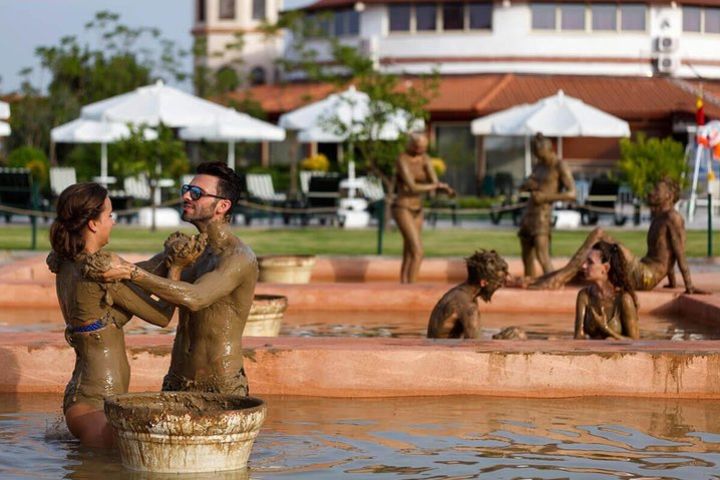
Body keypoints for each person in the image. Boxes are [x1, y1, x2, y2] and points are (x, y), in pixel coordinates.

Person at [48, 183, 199, 448]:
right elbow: (161, 316)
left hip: (84, 400)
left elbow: (133, 274)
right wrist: (175, 268)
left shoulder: (70, 262)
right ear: (93, 224)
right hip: (96, 407)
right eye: (110, 216)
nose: (113, 222)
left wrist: (165, 255)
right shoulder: (100, 275)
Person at [101, 162, 258, 396]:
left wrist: (131, 273)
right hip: (176, 379)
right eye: (186, 189)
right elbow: (136, 272)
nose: (186, 196)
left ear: (222, 206)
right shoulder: (189, 251)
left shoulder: (238, 258)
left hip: (220, 383)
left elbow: (196, 297)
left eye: (196, 193)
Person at [532, 177, 701, 294]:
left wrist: (689, 287)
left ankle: (557, 278)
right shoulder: (660, 217)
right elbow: (666, 253)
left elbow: (679, 254)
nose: (652, 192)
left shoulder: (673, 218)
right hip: (644, 270)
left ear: (669, 196)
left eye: (657, 189)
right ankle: (549, 278)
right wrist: (671, 282)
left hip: (646, 276)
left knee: (599, 234)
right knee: (596, 257)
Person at [393, 133, 455, 283]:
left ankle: (404, 285)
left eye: (424, 148)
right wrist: (434, 186)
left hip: (418, 208)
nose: (422, 151)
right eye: (419, 148)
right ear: (412, 145)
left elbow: (434, 181)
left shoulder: (425, 158)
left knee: (409, 250)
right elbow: (412, 186)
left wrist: (445, 189)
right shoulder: (402, 159)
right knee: (418, 251)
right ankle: (413, 287)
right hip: (403, 207)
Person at [518, 133, 576, 278]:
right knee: (526, 254)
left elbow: (572, 194)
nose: (537, 156)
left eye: (539, 153)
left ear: (547, 149)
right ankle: (530, 282)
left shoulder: (560, 166)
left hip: (543, 215)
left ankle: (551, 283)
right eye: (535, 153)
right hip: (529, 212)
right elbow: (526, 184)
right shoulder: (539, 165)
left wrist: (546, 197)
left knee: (542, 254)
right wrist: (526, 185)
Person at [427, 250, 508, 339]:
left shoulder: (459, 293)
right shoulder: (468, 307)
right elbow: (476, 345)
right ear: (484, 282)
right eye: (499, 281)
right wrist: (504, 339)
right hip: (444, 350)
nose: (501, 285)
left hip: (440, 347)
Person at [575, 241, 639, 340]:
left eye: (590, 262)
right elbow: (578, 337)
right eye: (585, 261)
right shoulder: (584, 296)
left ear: (605, 268)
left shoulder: (624, 299)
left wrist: (606, 329)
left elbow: (635, 342)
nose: (584, 266)